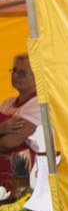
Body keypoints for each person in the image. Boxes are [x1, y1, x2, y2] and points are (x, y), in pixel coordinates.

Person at [0, 54, 40, 197]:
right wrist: (3, 128)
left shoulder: (38, 104)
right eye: (14, 70)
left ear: (37, 78)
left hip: (24, 177)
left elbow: (10, 142)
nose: (16, 75)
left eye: (22, 73)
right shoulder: (7, 103)